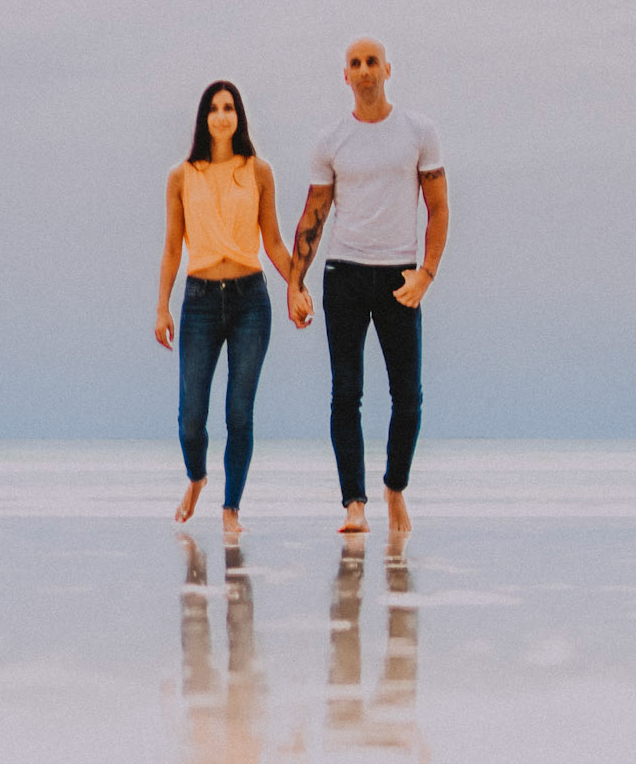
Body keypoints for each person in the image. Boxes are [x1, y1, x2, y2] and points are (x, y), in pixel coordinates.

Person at [287, 38, 448, 535]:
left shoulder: (418, 131)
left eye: (371, 62)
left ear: (387, 70)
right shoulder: (331, 139)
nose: (364, 71)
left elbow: (438, 206)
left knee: (409, 397)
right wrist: (296, 282)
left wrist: (427, 274)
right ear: (346, 76)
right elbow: (314, 213)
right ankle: (353, 504)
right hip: (345, 274)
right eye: (355, 64)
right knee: (346, 394)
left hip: (401, 274)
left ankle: (394, 487)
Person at [156, 81, 294, 536]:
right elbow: (173, 249)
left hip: (250, 299)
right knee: (191, 416)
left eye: (229, 107)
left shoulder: (258, 171)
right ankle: (197, 477)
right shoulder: (181, 175)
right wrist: (163, 307)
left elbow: (272, 239)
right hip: (198, 302)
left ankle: (231, 507)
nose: (222, 116)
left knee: (239, 411)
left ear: (239, 116)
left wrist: (297, 285)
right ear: (203, 117)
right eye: (214, 108)